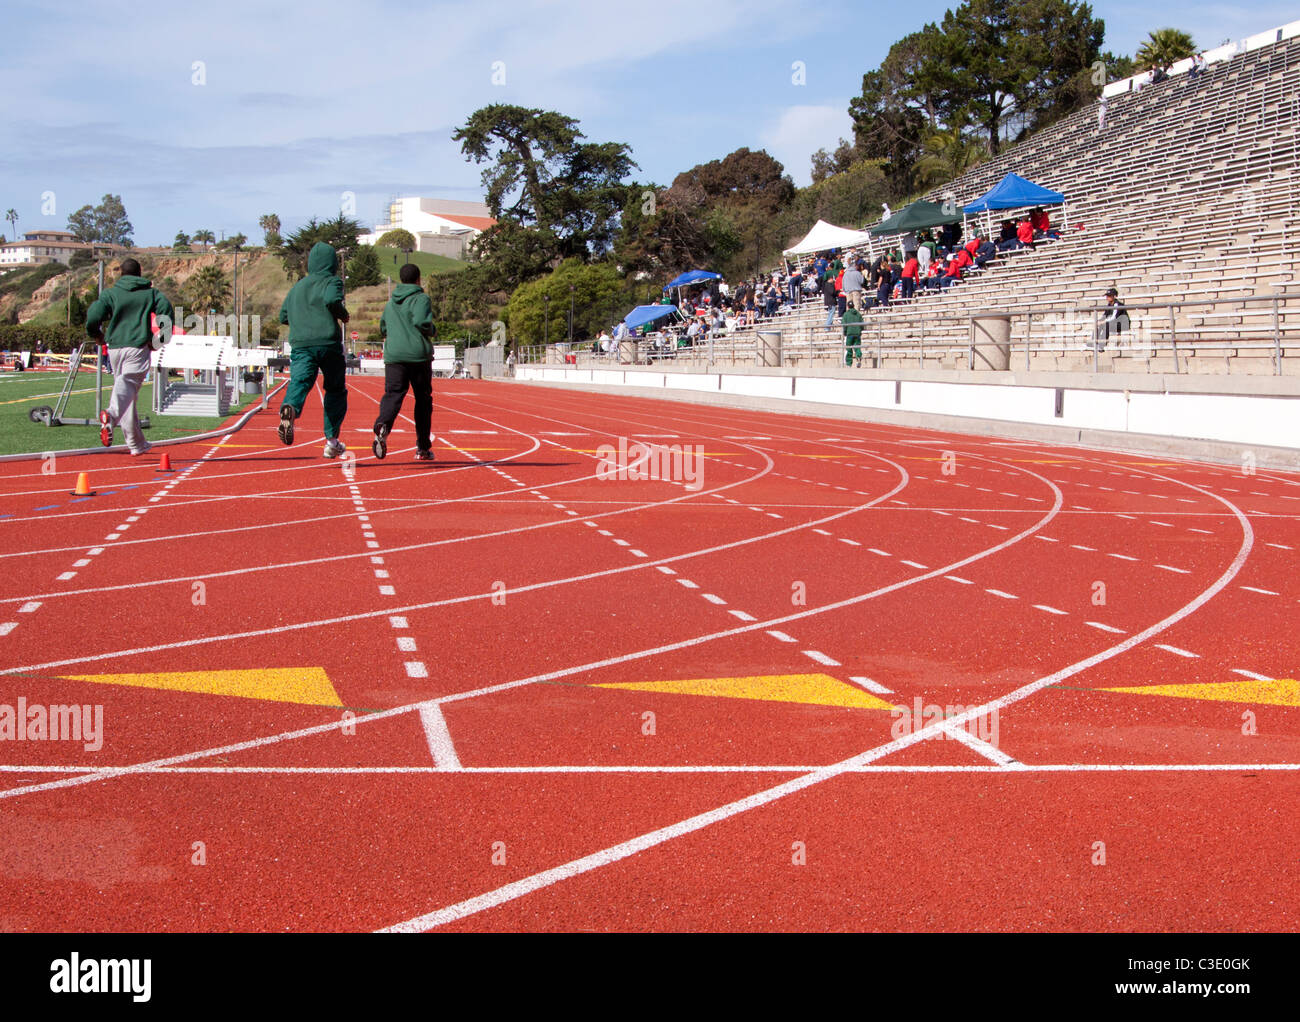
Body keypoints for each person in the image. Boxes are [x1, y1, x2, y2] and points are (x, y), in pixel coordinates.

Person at [85, 257, 173, 456]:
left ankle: (136, 444)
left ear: (121, 274)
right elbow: (166, 315)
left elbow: (93, 316)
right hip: (137, 347)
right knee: (127, 386)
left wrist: (97, 335)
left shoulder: (111, 294)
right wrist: (158, 340)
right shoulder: (151, 294)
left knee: (126, 392)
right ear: (140, 274)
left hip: (114, 348)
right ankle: (111, 416)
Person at [277, 241, 350, 457]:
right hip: (328, 343)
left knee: (300, 382)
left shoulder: (297, 287)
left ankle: (290, 407)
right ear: (331, 263)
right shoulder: (332, 281)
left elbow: (283, 316)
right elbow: (330, 299)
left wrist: (303, 322)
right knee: (335, 390)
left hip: (301, 344)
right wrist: (341, 314)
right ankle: (332, 439)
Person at [372, 263, 435, 461]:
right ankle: (423, 447)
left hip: (394, 357)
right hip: (417, 356)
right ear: (418, 279)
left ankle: (383, 425)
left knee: (393, 394)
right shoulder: (421, 298)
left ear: (401, 280)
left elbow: (382, 327)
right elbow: (421, 321)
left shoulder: (391, 303)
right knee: (423, 400)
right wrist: (431, 329)